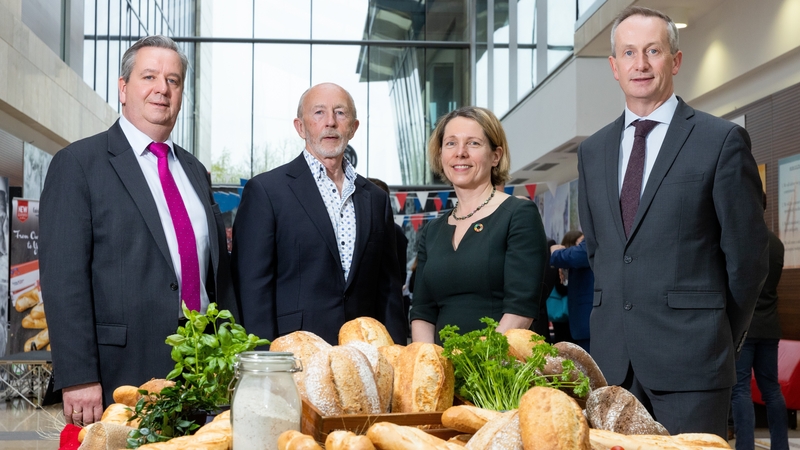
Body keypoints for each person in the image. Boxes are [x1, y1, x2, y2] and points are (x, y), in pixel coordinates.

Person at [577, 5, 769, 437]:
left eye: (652, 51)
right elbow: (601, 252)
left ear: (675, 60)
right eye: (628, 53)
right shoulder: (592, 152)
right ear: (613, 66)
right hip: (613, 370)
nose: (639, 64)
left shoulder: (719, 140)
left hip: (693, 368)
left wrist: (715, 334)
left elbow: (748, 261)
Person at [39, 36, 238, 424]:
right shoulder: (78, 164)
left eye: (174, 80)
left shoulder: (195, 172)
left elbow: (217, 276)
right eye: (149, 76)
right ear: (123, 87)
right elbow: (64, 279)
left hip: (199, 370)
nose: (162, 89)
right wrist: (78, 375)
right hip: (119, 374)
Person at [232, 82, 406, 346]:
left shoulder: (376, 199)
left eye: (340, 113)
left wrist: (397, 358)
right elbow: (253, 289)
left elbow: (389, 291)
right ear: (300, 127)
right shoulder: (267, 192)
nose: (330, 122)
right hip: (294, 357)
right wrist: (265, 367)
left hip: (365, 357)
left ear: (354, 127)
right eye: (318, 113)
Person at [410, 106, 547, 344]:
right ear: (440, 154)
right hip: (442, 371)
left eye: (473, 143)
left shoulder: (518, 214)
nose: (460, 153)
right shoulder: (432, 231)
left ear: (496, 156)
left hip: (497, 369)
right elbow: (422, 311)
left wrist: (475, 364)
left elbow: (520, 310)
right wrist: (428, 364)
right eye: (451, 143)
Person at [731, 193, 788, 450]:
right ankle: (781, 446)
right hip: (770, 326)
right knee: (772, 389)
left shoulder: (742, 240)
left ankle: (745, 447)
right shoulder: (777, 243)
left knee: (740, 389)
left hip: (746, 326)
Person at [550, 231, 593, 352]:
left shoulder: (598, 230)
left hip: (587, 321)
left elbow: (582, 254)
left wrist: (555, 253)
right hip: (581, 320)